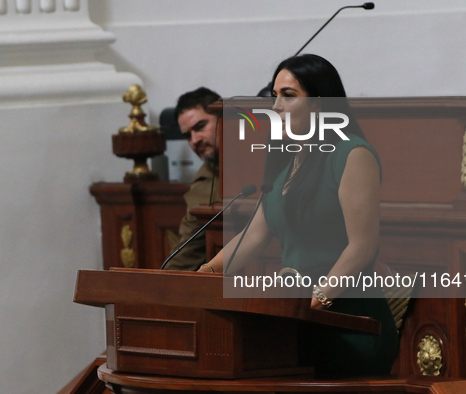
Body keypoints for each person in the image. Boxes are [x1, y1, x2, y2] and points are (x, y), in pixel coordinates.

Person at [198, 54, 398, 377]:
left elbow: (362, 247)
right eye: (274, 95)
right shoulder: (288, 163)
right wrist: (203, 275)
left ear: (318, 104)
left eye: (288, 96)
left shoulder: (352, 154)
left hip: (349, 323)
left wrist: (315, 301)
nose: (276, 106)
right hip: (299, 322)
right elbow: (253, 236)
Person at [164, 87, 221, 271]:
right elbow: (187, 252)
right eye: (188, 135)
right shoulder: (205, 179)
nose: (195, 140)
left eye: (200, 126)